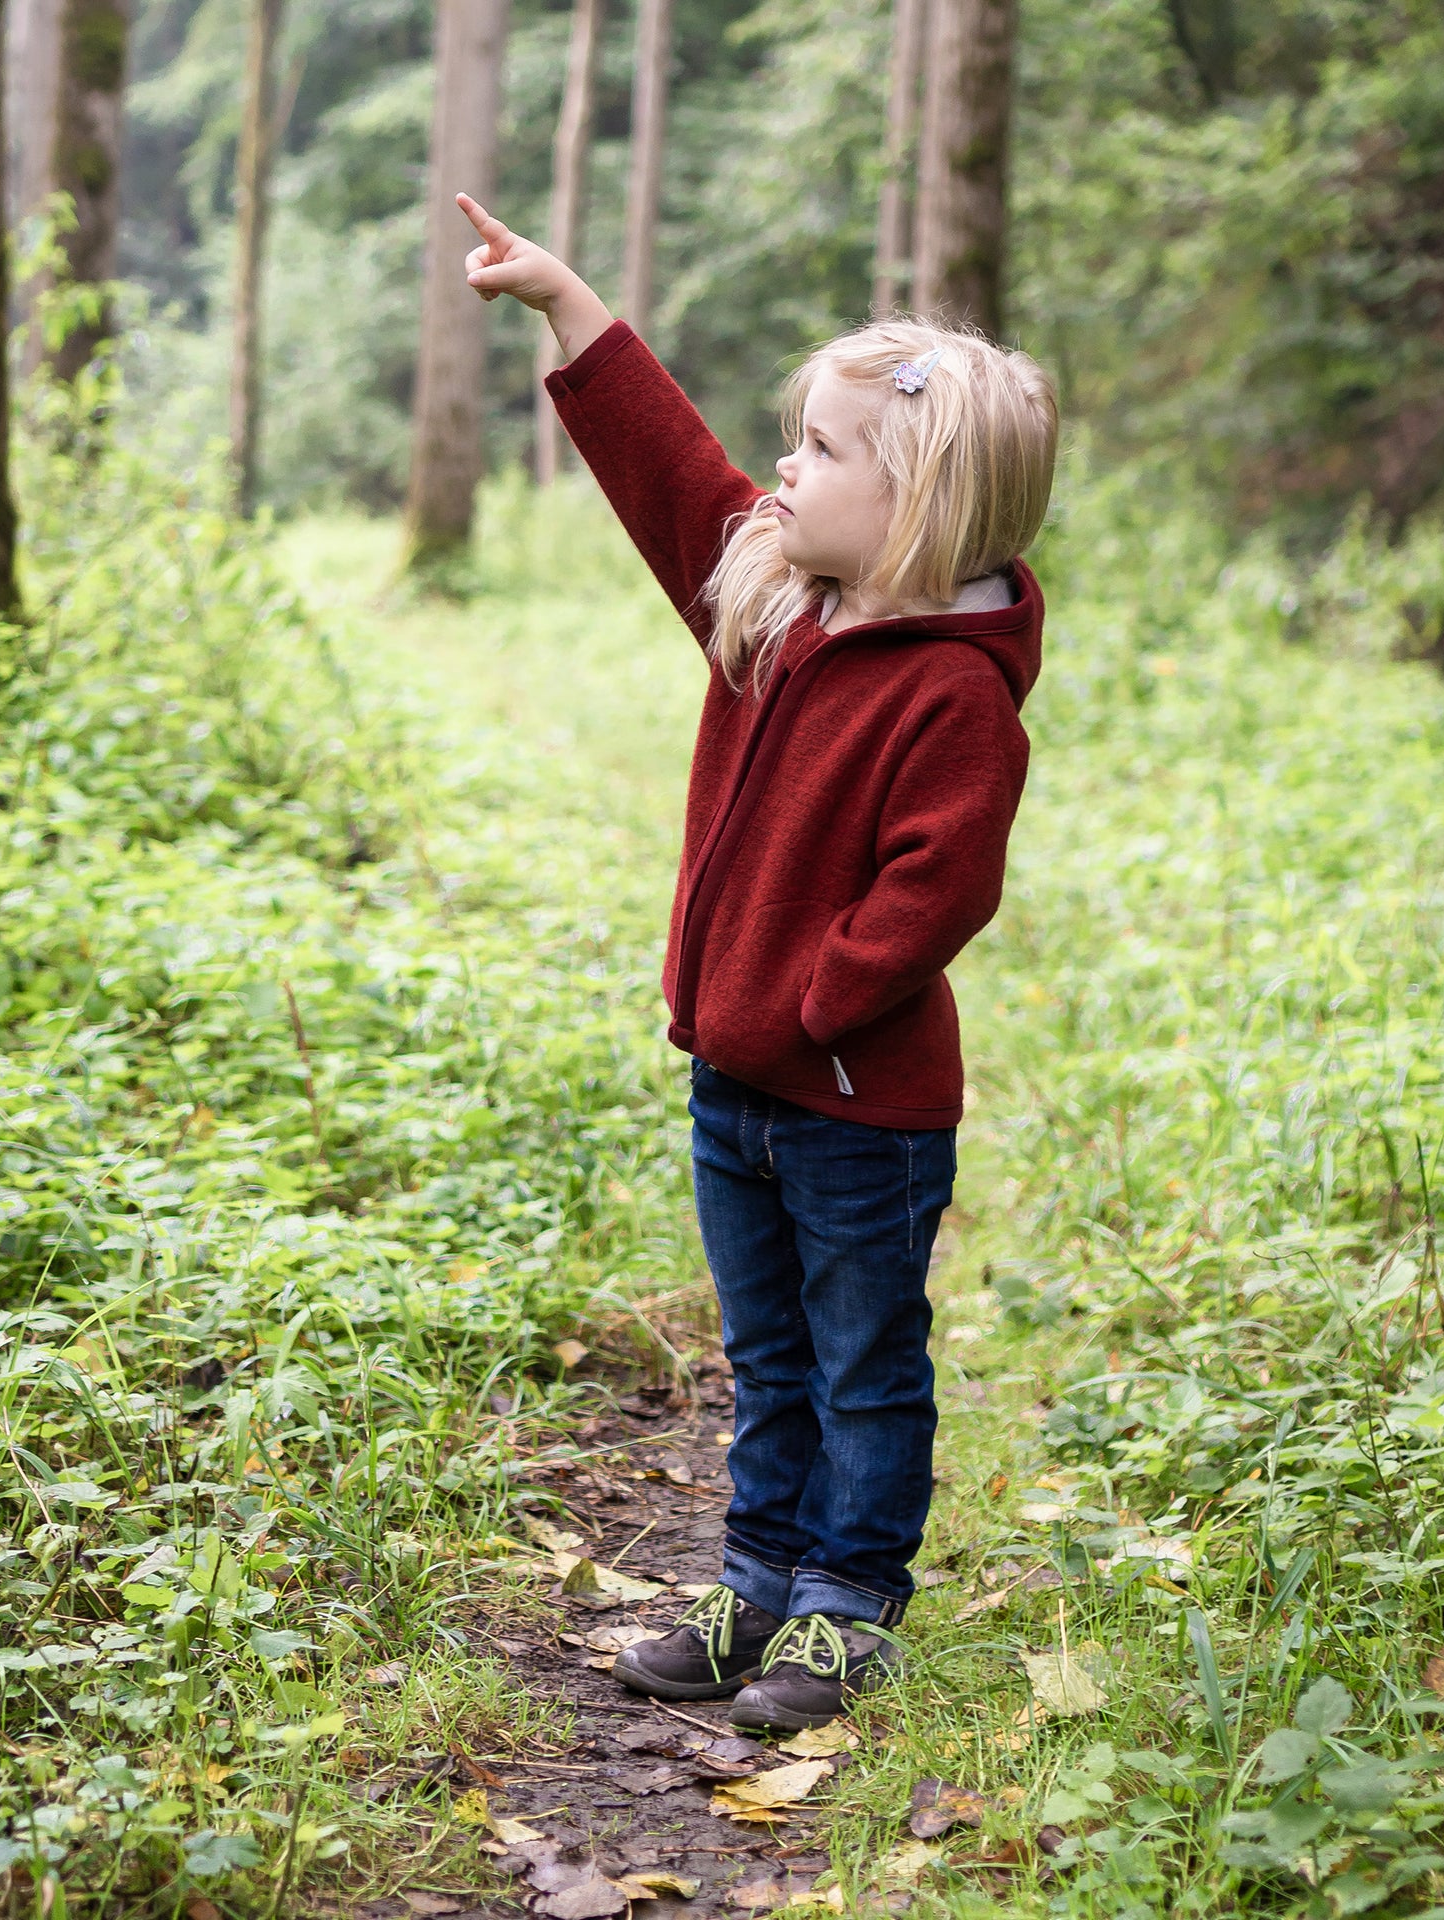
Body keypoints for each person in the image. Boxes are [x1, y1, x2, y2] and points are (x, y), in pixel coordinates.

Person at [457, 193, 1058, 1732]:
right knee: (767, 1353)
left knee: (863, 1364)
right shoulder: (775, 609)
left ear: (914, 497)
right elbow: (674, 482)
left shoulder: (954, 698)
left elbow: (942, 888)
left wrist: (813, 1004)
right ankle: (755, 1581)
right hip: (734, 1089)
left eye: (822, 449)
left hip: (857, 1107)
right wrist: (567, 307)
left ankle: (849, 1606)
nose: (783, 467)